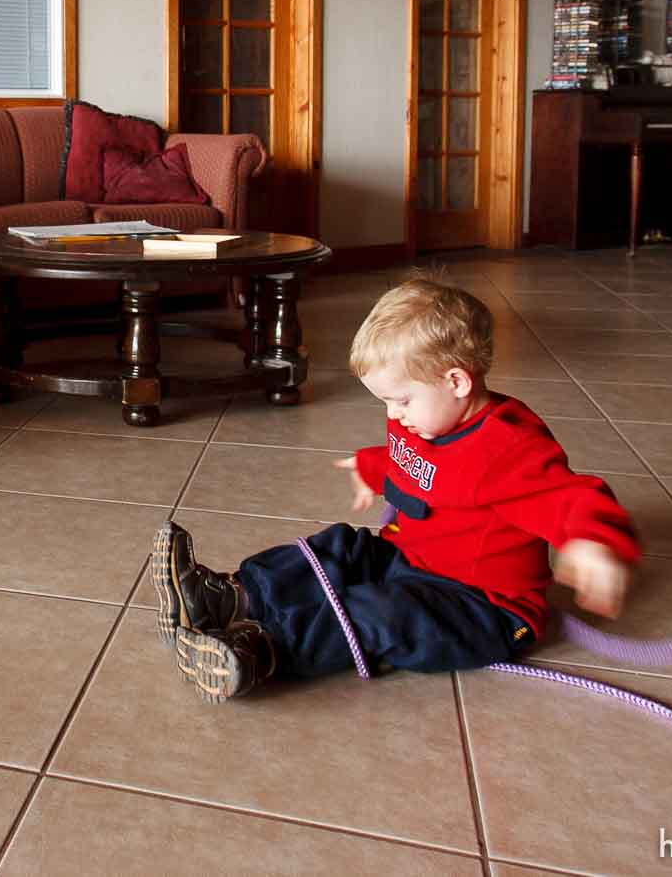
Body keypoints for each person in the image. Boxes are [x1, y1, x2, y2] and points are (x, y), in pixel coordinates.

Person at [154, 276, 640, 702]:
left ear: (456, 381)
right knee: (340, 547)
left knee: (384, 613)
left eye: (400, 399)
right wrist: (373, 466)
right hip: (410, 558)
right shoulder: (425, 419)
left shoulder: (510, 449)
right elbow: (411, 462)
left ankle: (263, 651)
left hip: (481, 605)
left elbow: (571, 496)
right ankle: (228, 597)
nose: (393, 415)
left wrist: (595, 544)